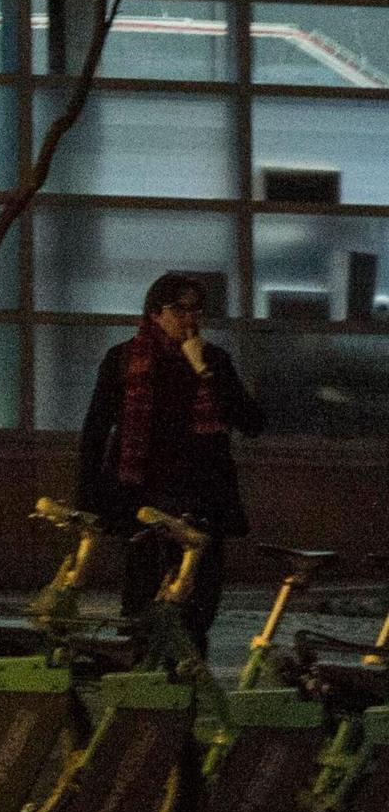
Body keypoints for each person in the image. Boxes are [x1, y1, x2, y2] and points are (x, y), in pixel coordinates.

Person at [78, 270, 264, 659]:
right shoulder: (125, 361)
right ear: (155, 313)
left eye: (198, 310)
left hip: (200, 503)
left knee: (197, 609)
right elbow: (96, 429)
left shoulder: (213, 361)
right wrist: (89, 497)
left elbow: (252, 423)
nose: (191, 319)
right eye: (180, 309)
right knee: (141, 604)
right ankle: (143, 695)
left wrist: (206, 374)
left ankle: (188, 693)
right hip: (142, 502)